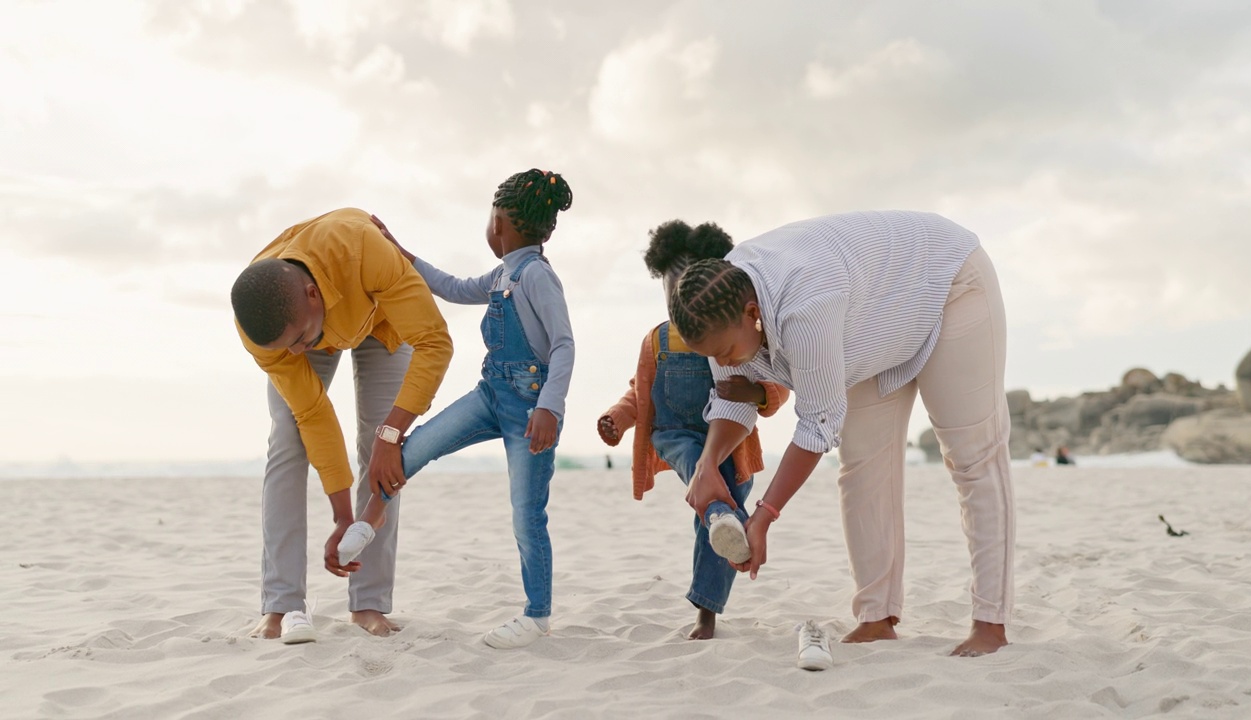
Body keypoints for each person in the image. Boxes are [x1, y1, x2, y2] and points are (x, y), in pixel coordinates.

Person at [672, 210, 1015, 657]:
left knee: (973, 459)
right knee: (862, 467)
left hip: (946, 281)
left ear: (752, 313)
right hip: (870, 322)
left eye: (725, 352)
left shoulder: (806, 309)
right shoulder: (718, 304)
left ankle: (991, 624)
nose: (727, 362)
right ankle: (878, 617)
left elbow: (817, 424)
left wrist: (765, 514)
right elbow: (733, 395)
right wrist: (706, 465)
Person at [338, 169, 575, 650]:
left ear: (501, 221)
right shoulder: (502, 273)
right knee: (415, 446)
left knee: (527, 513)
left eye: (490, 216)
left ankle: (538, 615)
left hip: (531, 409)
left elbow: (565, 345)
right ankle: (371, 518)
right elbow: (451, 286)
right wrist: (402, 254)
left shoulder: (537, 277)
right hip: (491, 394)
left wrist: (549, 407)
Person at [231, 208, 454, 643]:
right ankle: (282, 603)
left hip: (381, 316)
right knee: (288, 443)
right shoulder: (266, 330)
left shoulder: (365, 249)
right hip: (310, 324)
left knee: (383, 450)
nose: (294, 355)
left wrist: (391, 434)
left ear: (313, 295)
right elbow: (313, 413)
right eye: (284, 349)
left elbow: (434, 342)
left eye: (297, 343)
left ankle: (368, 602)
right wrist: (342, 517)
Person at [597, 220, 789, 640]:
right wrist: (618, 418)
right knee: (691, 461)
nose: (679, 299)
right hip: (674, 434)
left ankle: (708, 607)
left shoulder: (737, 334)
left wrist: (755, 391)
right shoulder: (656, 341)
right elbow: (640, 393)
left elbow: (777, 385)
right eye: (670, 289)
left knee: (717, 529)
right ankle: (720, 512)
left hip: (729, 446)